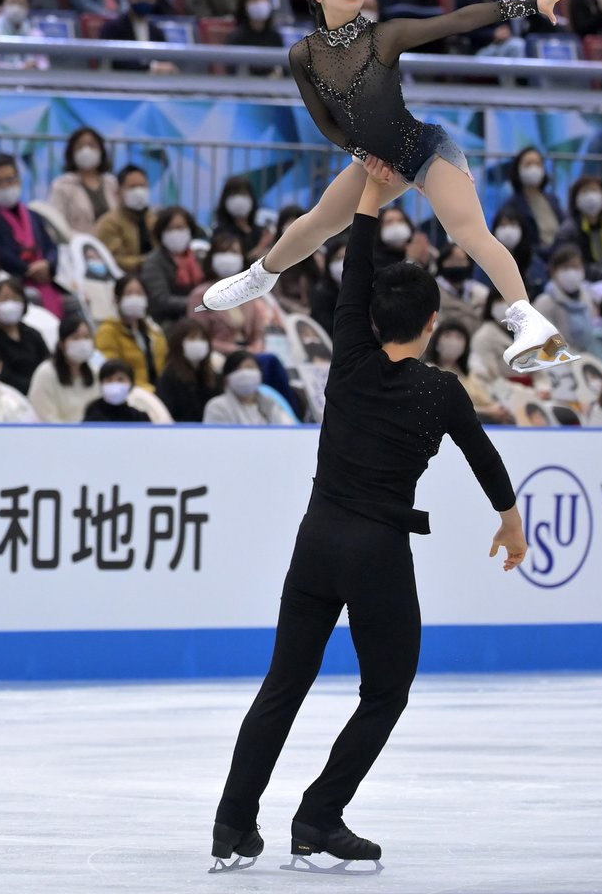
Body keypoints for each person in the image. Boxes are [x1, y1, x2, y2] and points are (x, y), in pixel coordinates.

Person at [210, 173, 524, 874]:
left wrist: (370, 201)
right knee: (385, 690)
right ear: (434, 325)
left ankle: (233, 822)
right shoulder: (441, 392)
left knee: (283, 684)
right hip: (377, 551)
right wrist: (511, 522)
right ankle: (320, 814)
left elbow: (354, 272)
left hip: (317, 541)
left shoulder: (348, 355)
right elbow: (485, 459)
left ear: (374, 318)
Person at [199, 0, 579, 373]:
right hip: (377, 159)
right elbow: (326, 123)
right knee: (319, 222)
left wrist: (531, 4)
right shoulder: (302, 55)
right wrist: (365, 157)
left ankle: (530, 323)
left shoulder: (384, 36)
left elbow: (456, 21)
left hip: (425, 150)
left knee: (468, 232)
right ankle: (260, 276)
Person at [0, 155, 57, 281]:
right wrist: (29, 269)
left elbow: (51, 246)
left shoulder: (34, 215)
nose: (5, 186)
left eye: (10, 180)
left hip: (44, 276)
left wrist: (48, 264)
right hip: (10, 279)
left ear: (19, 181)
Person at [189, 238, 270, 352]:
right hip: (219, 356)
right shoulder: (200, 295)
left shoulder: (249, 292)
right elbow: (199, 338)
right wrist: (237, 351)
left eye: (234, 252)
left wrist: (257, 347)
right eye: (223, 252)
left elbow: (258, 332)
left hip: (249, 354)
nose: (228, 257)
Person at [426, 318, 511, 423]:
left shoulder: (471, 373)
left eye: (459, 337)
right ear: (436, 341)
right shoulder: (429, 371)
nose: (453, 341)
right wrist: (486, 411)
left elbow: (495, 389)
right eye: (447, 335)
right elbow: (443, 408)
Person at [26, 312, 99, 422]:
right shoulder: (46, 373)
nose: (82, 343)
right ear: (61, 343)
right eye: (75, 338)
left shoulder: (95, 372)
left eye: (86, 337)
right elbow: (45, 417)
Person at [96, 275, 167, 387]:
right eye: (129, 294)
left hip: (158, 390)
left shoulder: (153, 330)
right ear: (117, 299)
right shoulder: (108, 331)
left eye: (139, 294)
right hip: (133, 391)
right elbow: (111, 370)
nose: (135, 298)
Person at [557, 175, 602, 281]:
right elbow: (571, 264)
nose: (591, 196)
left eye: (595, 190)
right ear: (576, 199)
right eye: (585, 191)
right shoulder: (569, 231)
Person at [48, 127, 119, 236]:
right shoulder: (61, 185)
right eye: (80, 146)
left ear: (101, 150)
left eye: (92, 145)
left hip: (111, 247)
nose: (86, 150)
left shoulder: (112, 183)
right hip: (77, 246)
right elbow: (56, 224)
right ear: (72, 152)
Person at [140, 206, 205, 323]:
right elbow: (161, 300)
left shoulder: (198, 258)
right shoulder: (154, 262)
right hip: (167, 322)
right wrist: (196, 302)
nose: (176, 233)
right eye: (170, 229)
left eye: (180, 228)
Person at [0, 276, 47, 392]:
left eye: (15, 299)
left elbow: (47, 363)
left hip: (41, 392)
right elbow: (3, 375)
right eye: (4, 299)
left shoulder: (33, 334)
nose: (10, 304)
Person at [101, 0, 177, 74]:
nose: (144, 1)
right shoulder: (113, 28)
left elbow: (165, 60)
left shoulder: (157, 32)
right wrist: (151, 68)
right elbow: (118, 62)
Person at [531, 244, 597, 353]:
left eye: (576, 267)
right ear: (553, 272)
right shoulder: (545, 303)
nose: (572, 273)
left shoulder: (587, 299)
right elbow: (546, 340)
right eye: (566, 268)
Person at [203, 349, 294, 425]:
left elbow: (289, 430)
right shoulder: (217, 406)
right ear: (226, 379)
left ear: (260, 375)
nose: (244, 373)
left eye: (250, 368)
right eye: (237, 369)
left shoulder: (270, 403)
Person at [154, 319, 218, 422]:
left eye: (202, 339)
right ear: (179, 343)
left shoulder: (212, 376)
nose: (198, 343)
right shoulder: (169, 378)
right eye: (192, 338)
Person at [95, 165, 156, 273]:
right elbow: (115, 260)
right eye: (132, 187)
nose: (139, 192)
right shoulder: (109, 223)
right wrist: (149, 262)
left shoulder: (154, 218)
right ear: (118, 192)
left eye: (142, 186)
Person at [503, 147, 564, 252]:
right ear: (518, 169)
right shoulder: (513, 205)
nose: (533, 168)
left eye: (538, 164)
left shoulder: (553, 200)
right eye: (528, 164)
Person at [0, 0, 50, 70]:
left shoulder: (35, 34)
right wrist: (21, 68)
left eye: (21, 4)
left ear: (28, 9)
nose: (16, 8)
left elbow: (44, 63)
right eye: (12, 2)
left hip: (31, 79)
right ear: (3, 5)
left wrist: (36, 67)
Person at [490, 204, 547, 298]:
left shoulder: (533, 261)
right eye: (503, 225)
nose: (508, 231)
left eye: (512, 225)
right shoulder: (485, 260)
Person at [228, 0, 284, 75]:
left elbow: (283, 69)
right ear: (245, 6)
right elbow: (231, 70)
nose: (259, 4)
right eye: (254, 0)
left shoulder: (275, 37)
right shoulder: (236, 37)